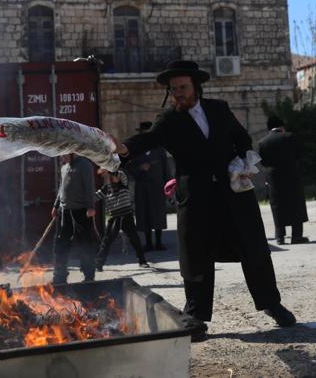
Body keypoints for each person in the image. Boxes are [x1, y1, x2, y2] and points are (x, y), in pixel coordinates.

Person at [115, 60, 296, 338]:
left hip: (233, 193)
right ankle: (195, 316)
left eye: (183, 87)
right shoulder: (169, 120)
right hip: (196, 199)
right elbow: (147, 140)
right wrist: (124, 148)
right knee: (195, 257)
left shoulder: (219, 109)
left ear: (196, 87)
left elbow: (241, 137)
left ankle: (272, 304)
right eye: (174, 89)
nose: (179, 93)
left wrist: (243, 159)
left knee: (254, 248)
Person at [258, 115, 309, 245]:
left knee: (277, 205)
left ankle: (280, 237)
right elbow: (299, 155)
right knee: (295, 203)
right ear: (282, 126)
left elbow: (262, 161)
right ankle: (296, 236)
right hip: (291, 174)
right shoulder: (290, 137)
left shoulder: (262, 142)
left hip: (273, 177)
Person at [50, 153, 98, 285]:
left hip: (82, 211)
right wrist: (56, 205)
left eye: (64, 154)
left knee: (85, 243)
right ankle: (59, 276)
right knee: (60, 243)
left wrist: (91, 206)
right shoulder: (64, 167)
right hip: (65, 211)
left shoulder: (84, 164)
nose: (61, 157)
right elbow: (61, 188)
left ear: (71, 152)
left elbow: (89, 186)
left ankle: (89, 275)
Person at [94, 169, 149, 270]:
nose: (113, 178)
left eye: (114, 176)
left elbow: (120, 174)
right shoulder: (106, 188)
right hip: (114, 217)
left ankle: (142, 261)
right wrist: (85, 199)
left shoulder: (123, 183)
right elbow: (94, 197)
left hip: (126, 216)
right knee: (106, 241)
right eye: (111, 177)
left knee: (134, 239)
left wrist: (108, 170)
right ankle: (98, 263)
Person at [129, 121, 170, 252]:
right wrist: (140, 168)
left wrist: (169, 187)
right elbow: (129, 167)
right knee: (144, 215)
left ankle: (158, 242)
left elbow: (166, 170)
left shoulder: (159, 150)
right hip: (142, 188)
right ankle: (148, 243)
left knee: (157, 214)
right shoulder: (136, 150)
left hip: (157, 188)